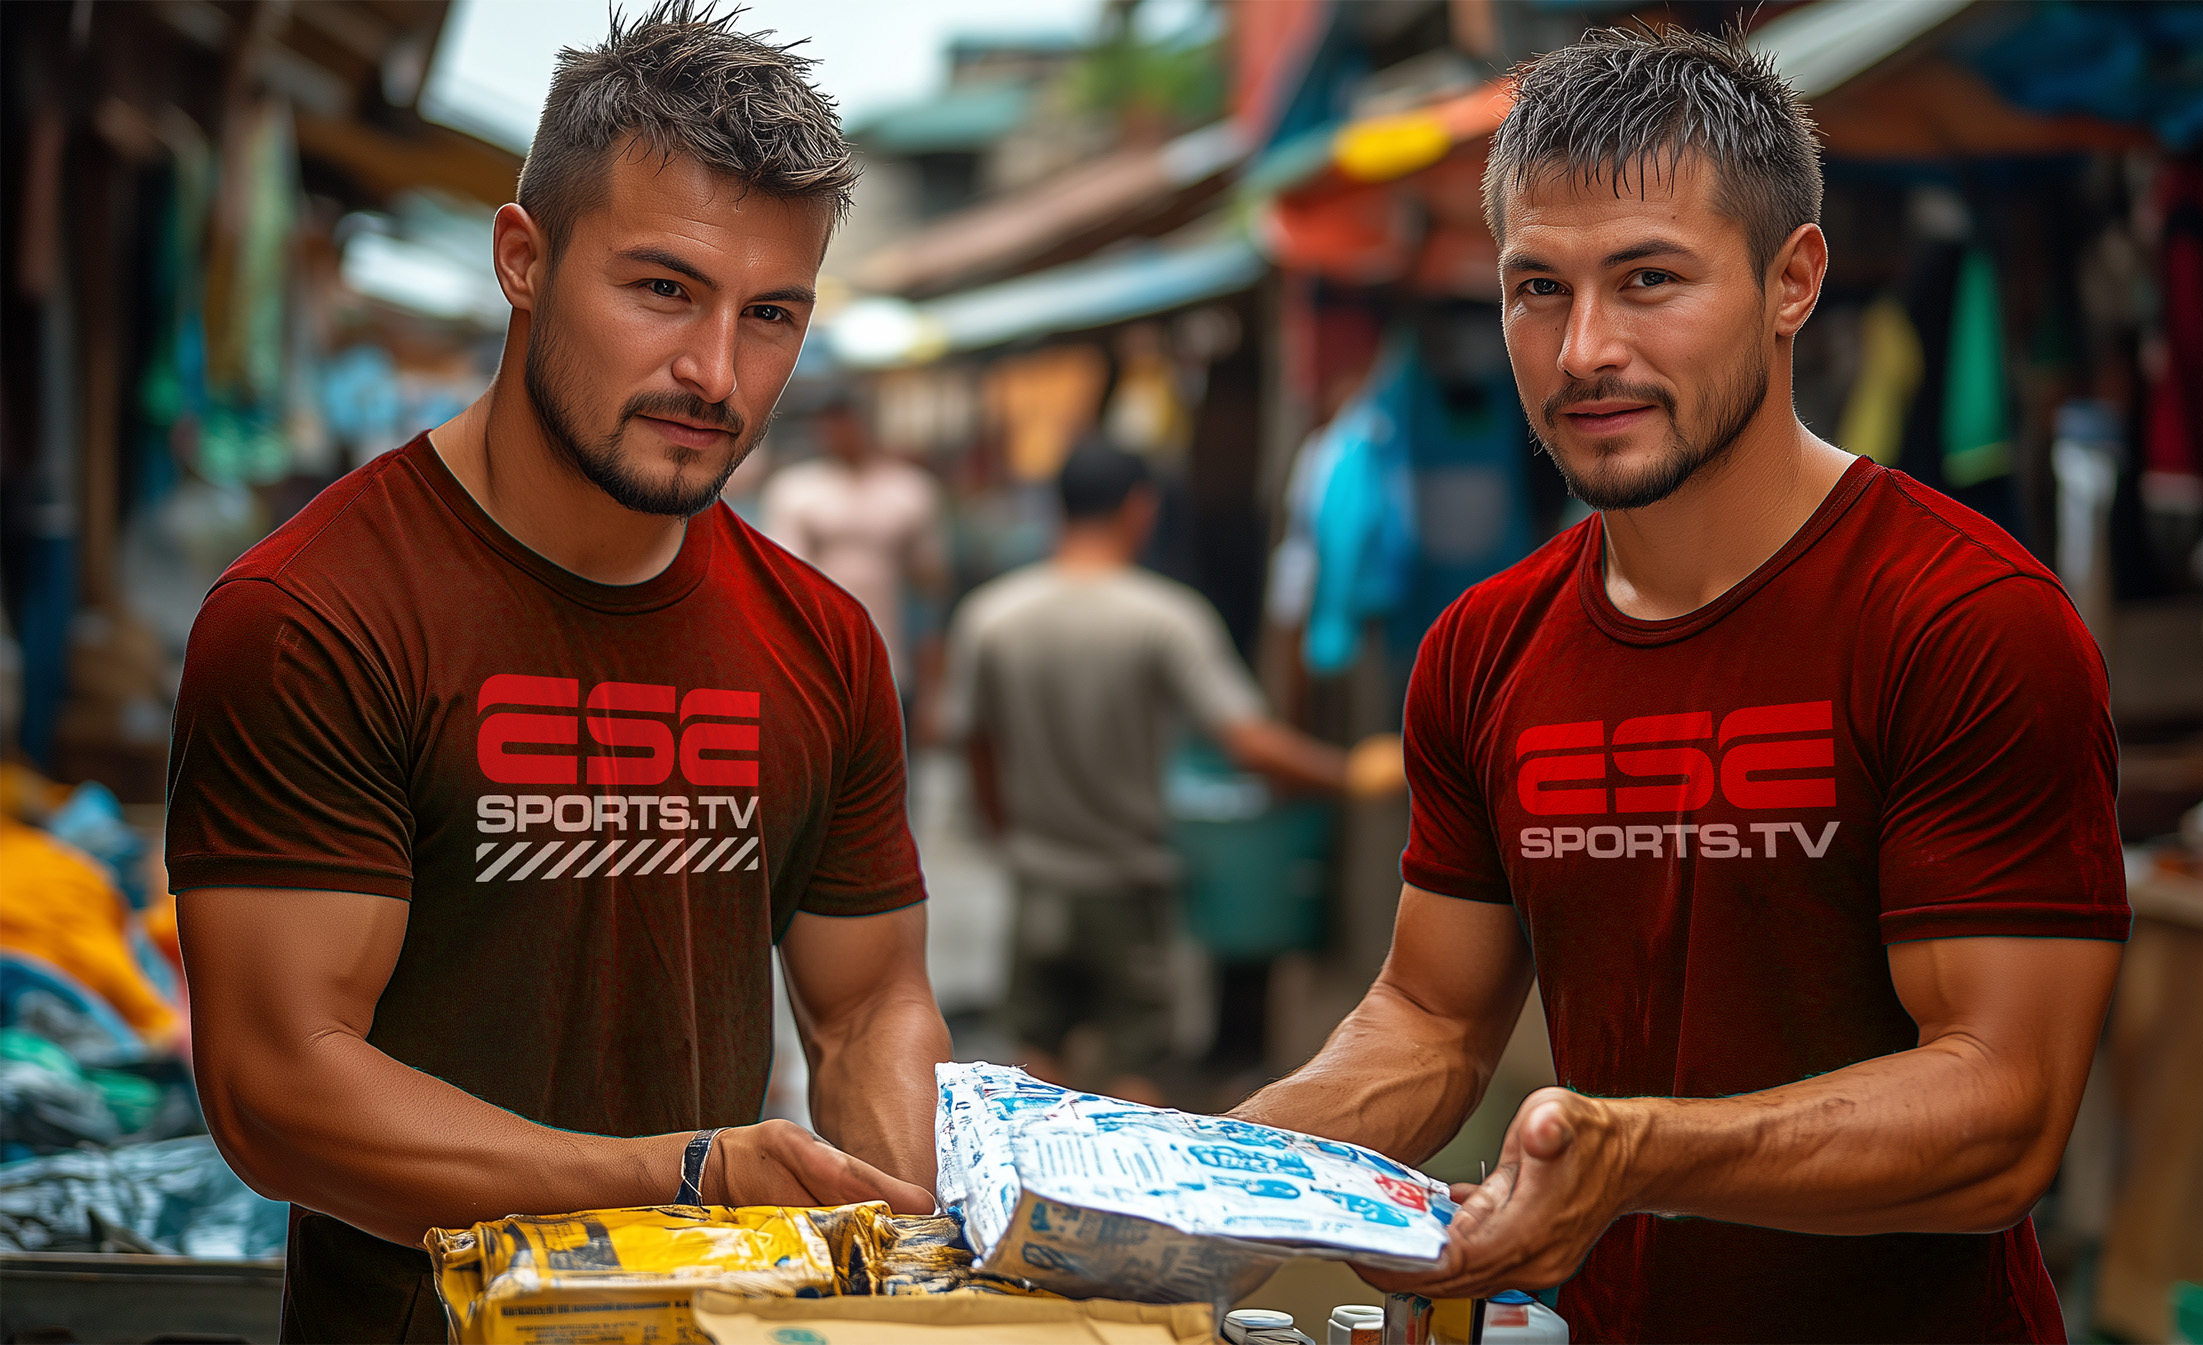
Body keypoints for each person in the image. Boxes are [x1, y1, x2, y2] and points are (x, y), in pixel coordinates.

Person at [1233, 27, 2127, 1343]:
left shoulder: (1964, 620)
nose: (1586, 348)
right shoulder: (1484, 648)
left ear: (1792, 280)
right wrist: (1179, 1179)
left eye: (1650, 279)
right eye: (1538, 288)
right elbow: (1429, 1017)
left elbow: (2005, 1111)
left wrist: (1642, 1153)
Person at [165, 7, 947, 1339]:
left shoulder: (820, 636)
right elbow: (276, 1090)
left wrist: (904, 1232)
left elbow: (868, 1000)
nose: (715, 371)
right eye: (662, 289)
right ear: (523, 259)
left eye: (771, 315)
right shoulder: (313, 614)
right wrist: (683, 1177)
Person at [942, 443, 1404, 1101]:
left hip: (1037, 879)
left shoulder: (990, 616)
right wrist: (1350, 774)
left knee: (1037, 1063)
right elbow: (1250, 744)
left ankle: (1021, 1197)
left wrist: (1008, 835)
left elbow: (973, 744)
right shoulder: (1165, 618)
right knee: (1141, 1070)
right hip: (1133, 888)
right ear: (1140, 509)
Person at [761, 392, 948, 706]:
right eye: (830, 423)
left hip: (891, 658)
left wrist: (933, 689)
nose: (839, 431)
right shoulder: (796, 490)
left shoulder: (909, 489)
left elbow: (931, 589)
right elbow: (783, 583)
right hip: (818, 661)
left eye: (845, 420)